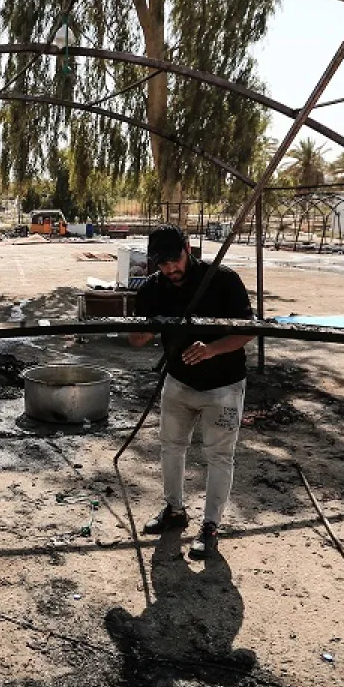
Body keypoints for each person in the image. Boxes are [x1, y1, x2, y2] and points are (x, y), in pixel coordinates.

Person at [128, 226, 255, 558]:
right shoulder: (153, 287)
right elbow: (136, 338)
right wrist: (140, 329)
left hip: (224, 385)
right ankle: (174, 510)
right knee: (171, 448)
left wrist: (213, 348)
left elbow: (247, 331)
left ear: (188, 249)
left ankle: (210, 524)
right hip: (178, 382)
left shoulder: (223, 279)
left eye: (175, 260)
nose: (171, 270)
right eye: (162, 264)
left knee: (219, 456)